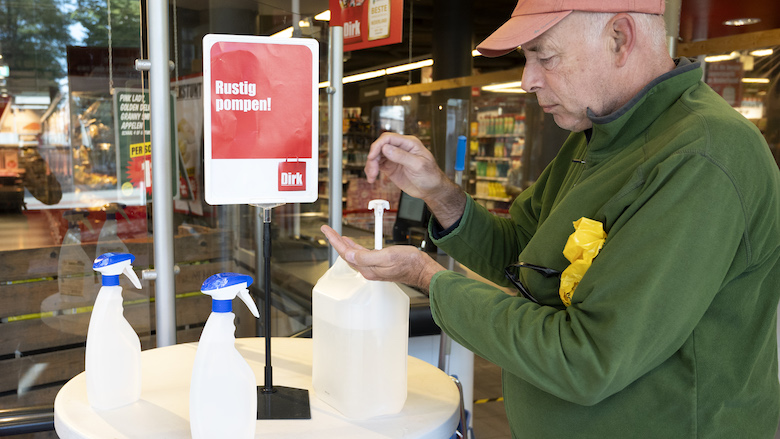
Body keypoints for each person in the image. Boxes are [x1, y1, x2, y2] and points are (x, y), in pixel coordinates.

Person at [322, 0, 780, 436]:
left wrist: (426, 277)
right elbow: (524, 254)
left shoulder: (701, 157)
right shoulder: (597, 136)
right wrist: (438, 193)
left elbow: (589, 357)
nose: (527, 80)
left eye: (545, 57)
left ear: (620, 38)